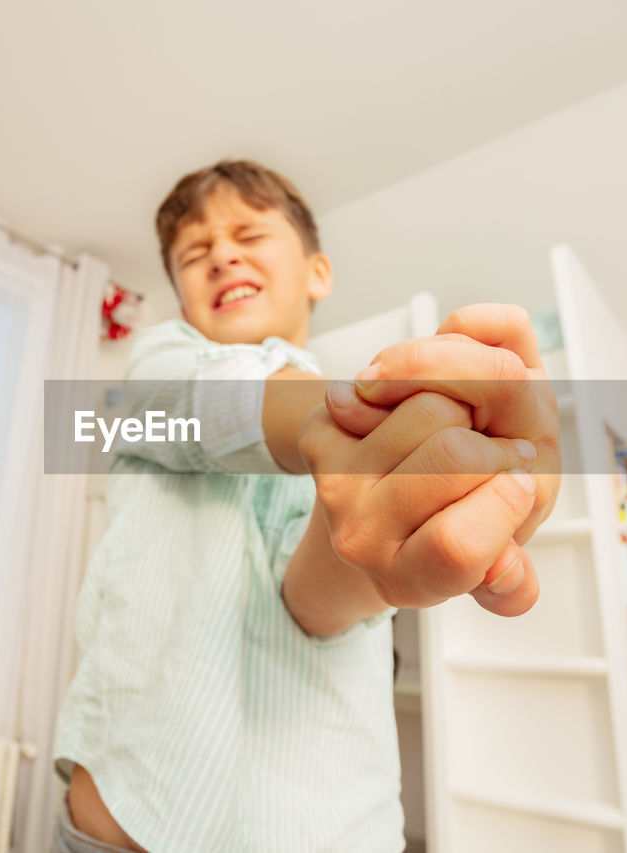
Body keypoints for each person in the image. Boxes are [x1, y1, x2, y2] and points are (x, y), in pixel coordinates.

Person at [51, 160, 560, 852]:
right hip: (126, 821)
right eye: (194, 254)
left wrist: (396, 519)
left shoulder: (350, 410)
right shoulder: (157, 363)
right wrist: (343, 424)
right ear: (183, 301)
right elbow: (194, 406)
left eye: (248, 234)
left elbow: (318, 600)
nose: (222, 254)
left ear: (317, 272)